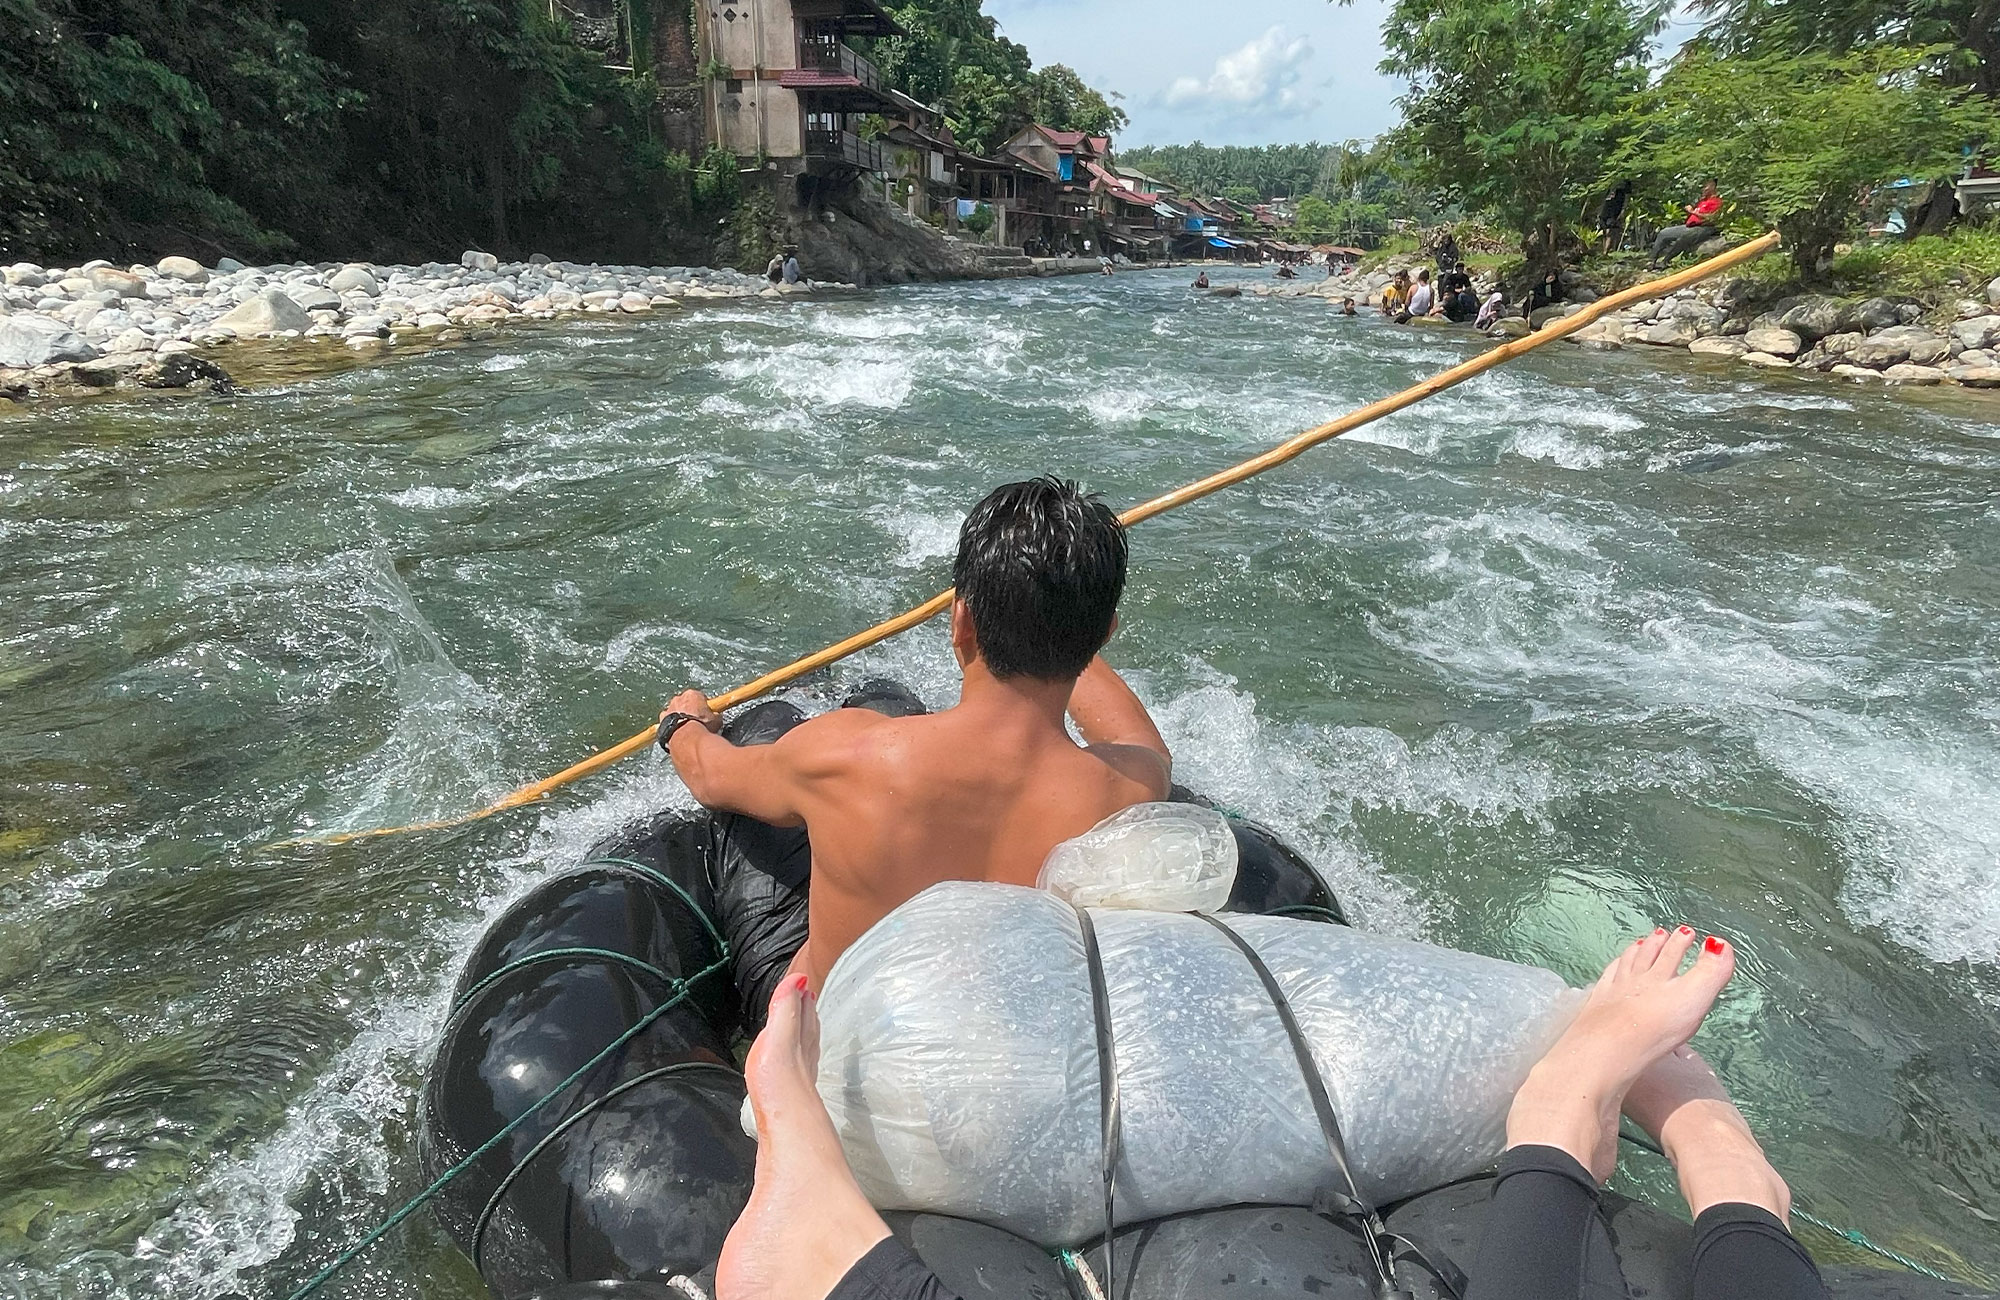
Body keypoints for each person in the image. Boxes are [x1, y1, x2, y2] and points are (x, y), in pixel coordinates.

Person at [717, 926, 1832, 1300]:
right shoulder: (1126, 755)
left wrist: (683, 735)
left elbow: (721, 769)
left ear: (960, 625)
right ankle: (1720, 1160)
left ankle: (1586, 1113)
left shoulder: (840, 754)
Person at [658, 477, 1172, 992]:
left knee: (770, 725)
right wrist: (1064, 621)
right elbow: (1138, 737)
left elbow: (710, 777)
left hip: (839, 1051)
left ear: (960, 621)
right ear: (1104, 634)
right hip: (1006, 1045)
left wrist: (683, 723)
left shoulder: (845, 754)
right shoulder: (1129, 789)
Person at [1649, 179, 1723, 267]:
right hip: (1689, 226)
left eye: (1705, 187)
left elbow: (1712, 218)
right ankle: (1651, 261)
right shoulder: (1703, 201)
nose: (1703, 189)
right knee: (1664, 233)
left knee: (1686, 237)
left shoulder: (1716, 201)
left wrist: (1693, 212)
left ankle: (1666, 260)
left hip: (1704, 227)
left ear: (1712, 187)